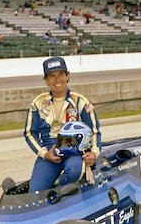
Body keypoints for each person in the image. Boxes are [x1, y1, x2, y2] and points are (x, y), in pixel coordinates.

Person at [24, 56, 101, 192]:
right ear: (46, 80)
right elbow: (30, 133)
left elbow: (94, 131)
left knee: (74, 170)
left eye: (60, 74)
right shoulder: (38, 103)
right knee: (34, 193)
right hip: (49, 151)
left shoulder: (80, 101)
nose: (57, 79)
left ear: (67, 76)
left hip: (74, 151)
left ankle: (58, 197)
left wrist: (94, 153)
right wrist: (45, 154)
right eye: (52, 76)